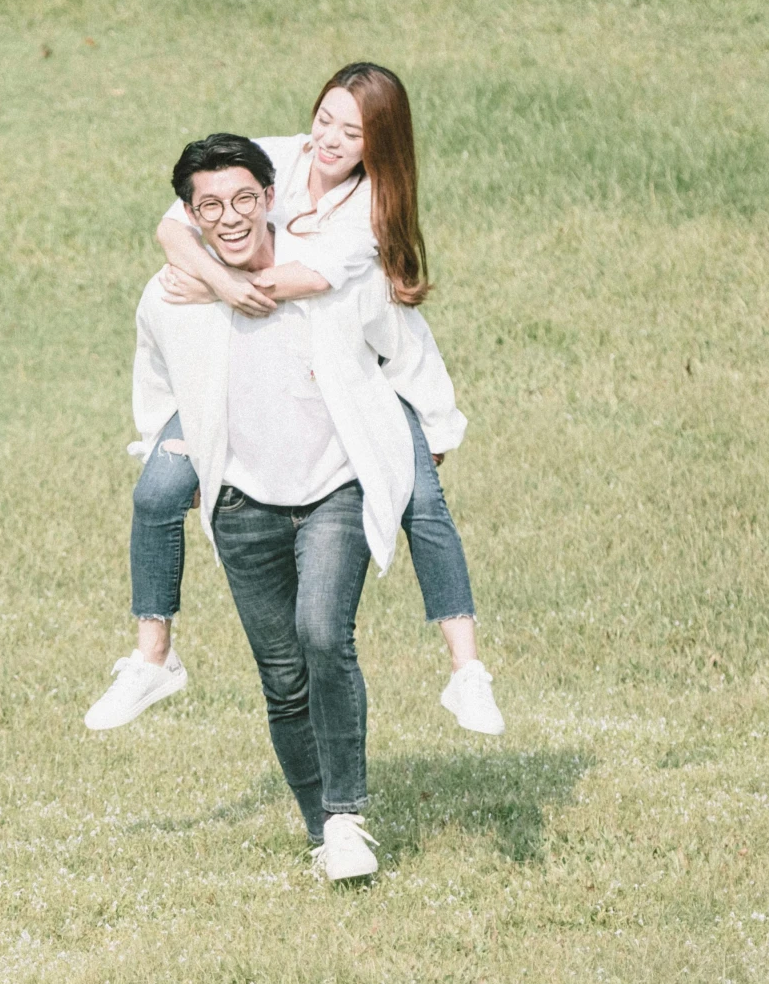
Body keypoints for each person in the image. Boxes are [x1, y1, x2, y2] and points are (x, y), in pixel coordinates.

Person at [84, 64, 503, 739]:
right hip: (244, 368)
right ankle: (152, 659)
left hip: (354, 373)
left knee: (422, 500)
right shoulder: (272, 157)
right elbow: (172, 230)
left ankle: (466, 670)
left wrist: (228, 284)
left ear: (379, 145)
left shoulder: (372, 210)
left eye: (353, 131)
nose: (331, 139)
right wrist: (218, 281)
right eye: (325, 118)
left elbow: (313, 278)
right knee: (156, 493)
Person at [130, 132, 420, 880]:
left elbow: (400, 338)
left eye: (244, 200)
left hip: (332, 489)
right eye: (210, 206)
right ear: (192, 216)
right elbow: (157, 389)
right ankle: (324, 830)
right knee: (283, 677)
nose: (229, 218)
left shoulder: (320, 271)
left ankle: (349, 811)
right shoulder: (174, 297)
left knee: (324, 633)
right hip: (242, 508)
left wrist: (434, 428)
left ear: (271, 198)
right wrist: (182, 464)